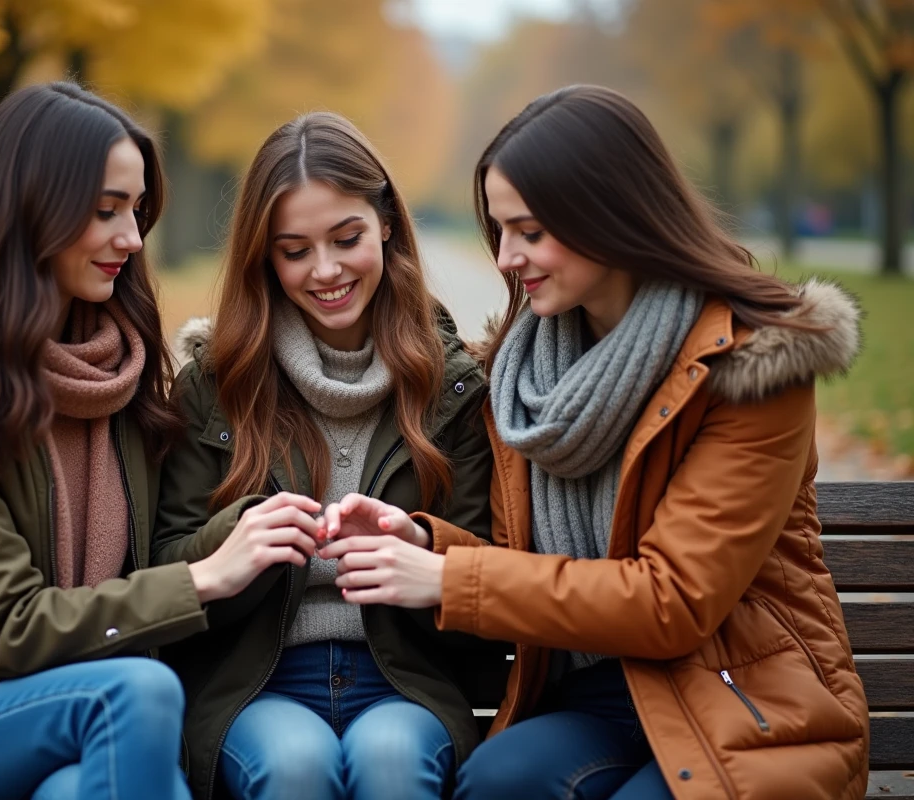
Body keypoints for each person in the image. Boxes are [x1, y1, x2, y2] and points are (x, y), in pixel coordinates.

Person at [320, 85, 869, 800]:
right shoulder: (524, 379)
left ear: (610, 215)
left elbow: (673, 602)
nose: (507, 258)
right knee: (495, 783)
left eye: (530, 232)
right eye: (500, 231)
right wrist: (427, 545)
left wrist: (449, 581)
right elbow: (524, 564)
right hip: (596, 694)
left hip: (739, 699)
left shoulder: (750, 368)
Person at [0, 82, 295, 800]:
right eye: (105, 211)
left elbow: (153, 562)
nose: (132, 239)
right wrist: (202, 580)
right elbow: (5, 624)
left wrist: (249, 532)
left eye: (137, 211)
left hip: (93, 721)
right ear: (27, 208)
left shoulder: (124, 373)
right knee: (136, 694)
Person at [151, 112, 495, 800]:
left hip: (406, 681)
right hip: (255, 684)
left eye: (346, 238)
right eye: (295, 250)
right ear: (265, 257)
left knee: (393, 761)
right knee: (295, 765)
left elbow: (492, 569)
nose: (326, 270)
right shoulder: (215, 387)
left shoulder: (453, 388)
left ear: (386, 225)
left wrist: (423, 548)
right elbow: (162, 563)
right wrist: (238, 539)